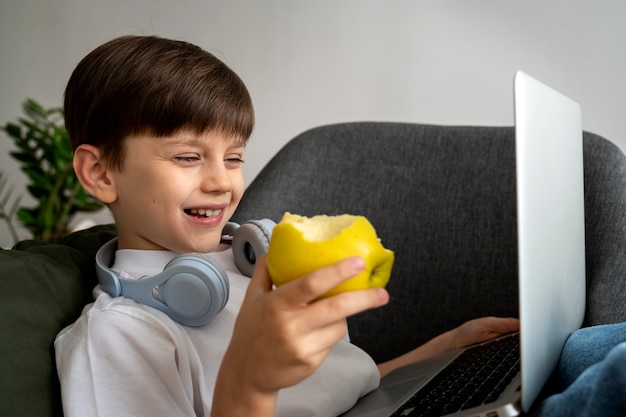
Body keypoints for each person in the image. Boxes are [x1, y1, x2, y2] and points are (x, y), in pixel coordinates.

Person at [54, 34, 521, 417]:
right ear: (100, 173)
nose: (222, 181)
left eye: (234, 157)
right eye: (188, 157)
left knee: (586, 351)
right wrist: (249, 383)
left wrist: (443, 350)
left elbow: (335, 392)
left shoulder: (247, 262)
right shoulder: (117, 337)